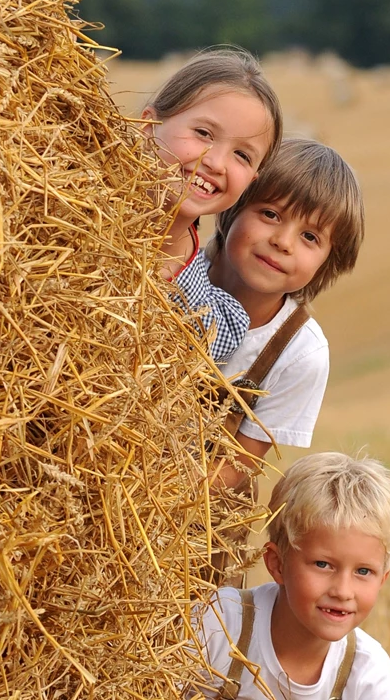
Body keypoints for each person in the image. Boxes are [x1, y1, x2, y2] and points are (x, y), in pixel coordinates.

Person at [205, 138, 364, 488]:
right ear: (233, 206)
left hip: (192, 516)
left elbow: (236, 469)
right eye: (270, 214)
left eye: (309, 236)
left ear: (327, 265)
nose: (283, 241)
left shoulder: (301, 353)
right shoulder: (168, 272)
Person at [192, 451, 390, 699]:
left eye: (363, 571)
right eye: (323, 565)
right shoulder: (218, 626)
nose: (343, 591)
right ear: (277, 564)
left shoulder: (366, 674)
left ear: (382, 580)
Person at [142, 46, 283, 362]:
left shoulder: (213, 321)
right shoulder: (66, 207)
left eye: (242, 156)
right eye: (203, 133)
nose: (216, 162)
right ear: (148, 126)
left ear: (251, 181)